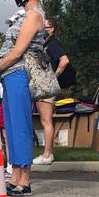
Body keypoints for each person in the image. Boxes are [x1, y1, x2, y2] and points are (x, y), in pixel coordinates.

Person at [0, 0, 47, 197]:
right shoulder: (23, 16)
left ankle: (25, 179)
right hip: (10, 75)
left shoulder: (34, 16)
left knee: (20, 125)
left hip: (20, 72)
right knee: (11, 127)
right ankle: (15, 175)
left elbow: (18, 51)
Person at [32, 17, 70, 165]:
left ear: (52, 28)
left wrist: (53, 76)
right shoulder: (45, 44)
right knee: (44, 119)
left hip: (46, 85)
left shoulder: (53, 44)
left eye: (45, 27)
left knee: (46, 120)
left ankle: (47, 154)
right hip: (42, 84)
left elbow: (64, 60)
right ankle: (47, 152)